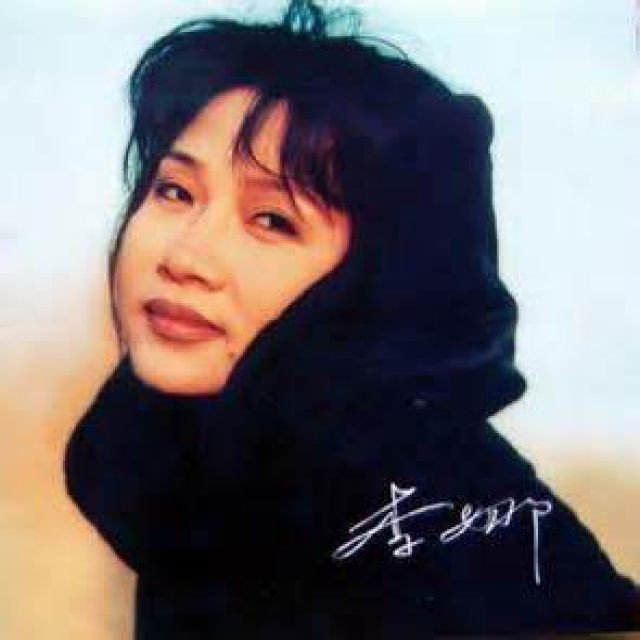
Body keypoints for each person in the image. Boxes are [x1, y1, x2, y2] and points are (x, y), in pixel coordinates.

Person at [63, 0, 640, 637]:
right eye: (175, 191)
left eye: (272, 221)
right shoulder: (188, 469)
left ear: (380, 281)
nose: (183, 257)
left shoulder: (448, 534)